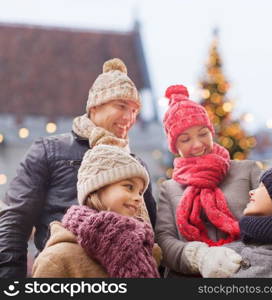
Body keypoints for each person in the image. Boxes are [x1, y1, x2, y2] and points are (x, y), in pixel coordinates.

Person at [0, 58, 157, 278]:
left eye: (134, 110)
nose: (129, 118)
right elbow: (14, 223)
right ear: (95, 105)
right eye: (121, 106)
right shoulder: (50, 151)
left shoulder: (136, 166)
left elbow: (153, 234)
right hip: (65, 272)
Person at [155, 85, 262, 277]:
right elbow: (164, 241)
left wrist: (236, 255)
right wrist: (201, 258)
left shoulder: (247, 170)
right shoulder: (169, 189)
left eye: (203, 134)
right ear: (174, 146)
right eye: (185, 139)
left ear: (211, 132)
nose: (197, 145)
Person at [32, 144, 160, 278]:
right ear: (97, 188)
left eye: (140, 192)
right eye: (129, 187)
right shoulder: (57, 259)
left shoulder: (144, 249)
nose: (139, 198)